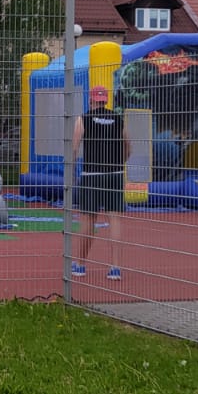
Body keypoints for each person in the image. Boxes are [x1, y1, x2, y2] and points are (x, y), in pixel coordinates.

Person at [70, 83, 129, 280]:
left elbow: (74, 147)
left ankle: (80, 264)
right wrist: (120, 162)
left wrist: (71, 172)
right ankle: (115, 267)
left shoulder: (83, 118)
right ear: (106, 100)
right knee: (115, 219)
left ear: (90, 100)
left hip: (92, 175)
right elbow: (128, 145)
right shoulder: (118, 118)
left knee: (88, 219)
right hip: (115, 173)